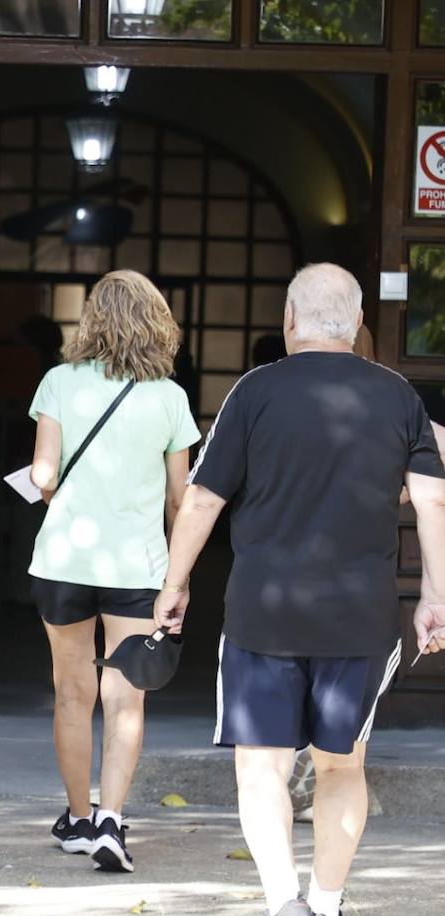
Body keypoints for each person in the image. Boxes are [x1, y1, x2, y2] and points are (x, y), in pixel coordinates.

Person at [155, 263, 445, 916]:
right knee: (343, 769)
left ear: (289, 320)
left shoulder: (254, 393)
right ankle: (327, 902)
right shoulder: (400, 397)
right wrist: (435, 596)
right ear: (359, 323)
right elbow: (433, 502)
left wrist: (175, 585)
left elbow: (201, 501)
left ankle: (284, 901)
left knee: (262, 770)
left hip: (264, 615)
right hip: (362, 617)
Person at [27, 269, 201, 874]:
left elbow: (44, 476)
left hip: (63, 560)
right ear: (157, 323)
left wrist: (56, 495)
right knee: (126, 700)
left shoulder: (58, 382)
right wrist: (179, 578)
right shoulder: (169, 397)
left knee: (72, 693)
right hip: (139, 565)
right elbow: (182, 499)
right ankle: (111, 820)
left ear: (92, 319)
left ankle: (76, 819)